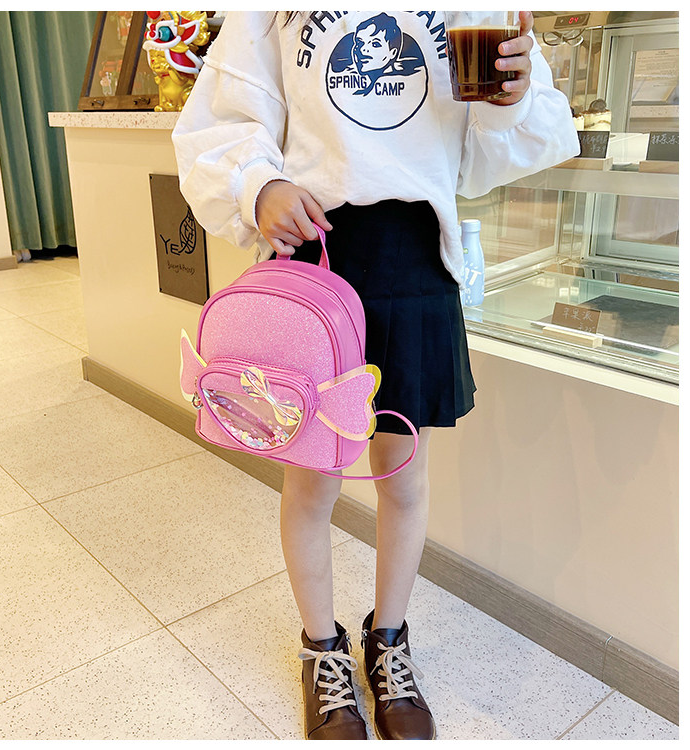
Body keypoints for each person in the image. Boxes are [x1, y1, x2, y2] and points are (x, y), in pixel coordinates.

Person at [173, 10, 579, 741]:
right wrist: (258, 186)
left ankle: (387, 640)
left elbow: (496, 150)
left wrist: (511, 99)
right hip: (316, 253)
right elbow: (226, 110)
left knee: (405, 478)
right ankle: (320, 647)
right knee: (312, 484)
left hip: (417, 258)